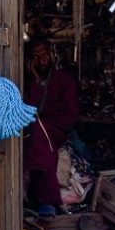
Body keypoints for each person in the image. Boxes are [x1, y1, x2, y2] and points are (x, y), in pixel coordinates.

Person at [23, 39, 79, 218]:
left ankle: (46, 201)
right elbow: (28, 110)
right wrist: (36, 82)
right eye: (36, 57)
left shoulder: (64, 81)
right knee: (39, 138)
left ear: (51, 55)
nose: (42, 61)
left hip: (55, 129)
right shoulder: (26, 81)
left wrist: (45, 123)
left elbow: (70, 116)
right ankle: (45, 200)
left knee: (40, 134)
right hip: (34, 130)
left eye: (44, 55)